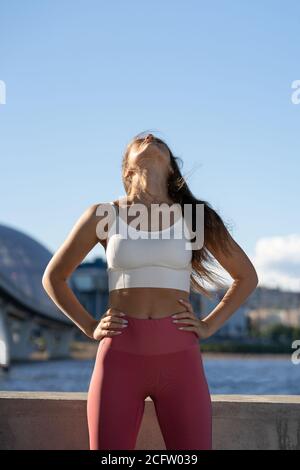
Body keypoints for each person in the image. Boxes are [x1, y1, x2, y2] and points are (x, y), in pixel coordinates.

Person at [42, 131, 258, 450]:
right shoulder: (104, 215)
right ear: (127, 169)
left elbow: (246, 277)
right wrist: (89, 326)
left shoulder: (195, 216)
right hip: (119, 355)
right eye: (139, 141)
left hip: (180, 356)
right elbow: (55, 277)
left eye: (158, 141)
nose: (150, 138)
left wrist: (209, 324)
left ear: (171, 168)